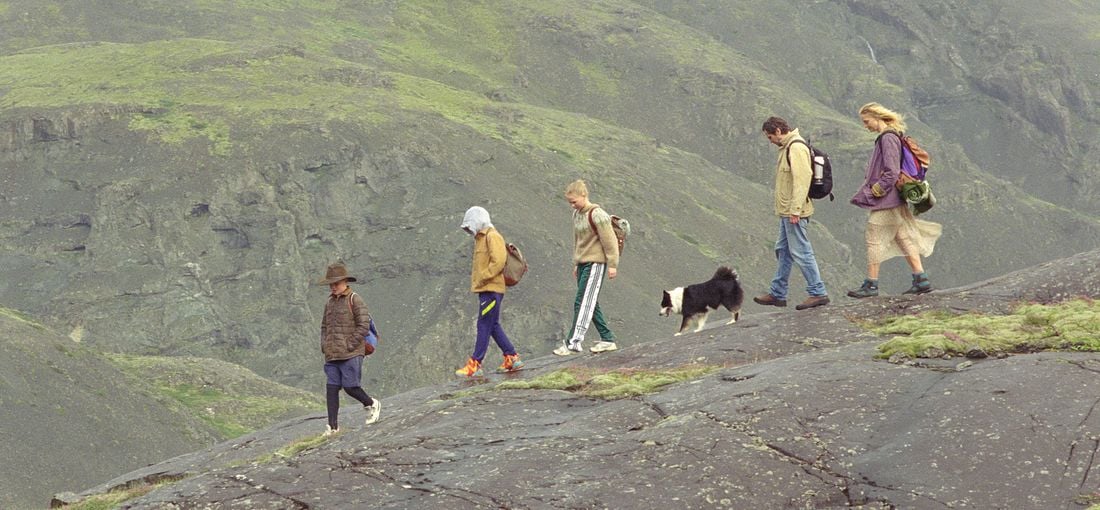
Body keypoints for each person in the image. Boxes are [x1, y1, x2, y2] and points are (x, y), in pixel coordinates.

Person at [847, 103, 942, 298]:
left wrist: (877, 189)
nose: (865, 126)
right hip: (895, 198)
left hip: (887, 199)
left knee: (873, 239)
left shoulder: (888, 138)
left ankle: (871, 285)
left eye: (867, 121)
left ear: (877, 117)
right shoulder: (892, 136)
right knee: (903, 236)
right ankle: (921, 280)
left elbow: (892, 171)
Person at [752, 116, 830, 311]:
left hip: (794, 211)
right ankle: (777, 293)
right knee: (783, 250)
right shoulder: (787, 148)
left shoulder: (795, 148)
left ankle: (818, 292)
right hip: (787, 211)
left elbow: (802, 180)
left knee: (801, 251)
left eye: (770, 136)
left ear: (778, 131)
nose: (770, 141)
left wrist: (795, 209)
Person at [455, 206, 525, 377]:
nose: (470, 230)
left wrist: (484, 277)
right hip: (487, 289)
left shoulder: (492, 236)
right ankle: (511, 357)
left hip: (491, 289)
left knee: (483, 324)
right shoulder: (481, 238)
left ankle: (475, 364)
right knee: (492, 325)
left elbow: (499, 261)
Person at [554, 179, 620, 355]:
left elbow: (610, 241)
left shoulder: (598, 215)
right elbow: (578, 240)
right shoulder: (576, 215)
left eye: (574, 201)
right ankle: (607, 339)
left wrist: (612, 264)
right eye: (570, 202)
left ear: (584, 195)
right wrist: (576, 263)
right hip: (583, 263)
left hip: (595, 264)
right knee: (590, 302)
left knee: (582, 301)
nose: (572, 205)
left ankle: (573, 343)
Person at [318, 262, 380, 436]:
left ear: (345, 282)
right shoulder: (329, 302)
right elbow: (324, 326)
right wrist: (324, 345)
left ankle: (371, 404)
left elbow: (363, 325)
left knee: (351, 386)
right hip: (332, 354)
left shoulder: (355, 299)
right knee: (331, 389)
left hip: (351, 353)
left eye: (336, 283)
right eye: (331, 284)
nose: (333, 287)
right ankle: (332, 428)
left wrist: (350, 345)